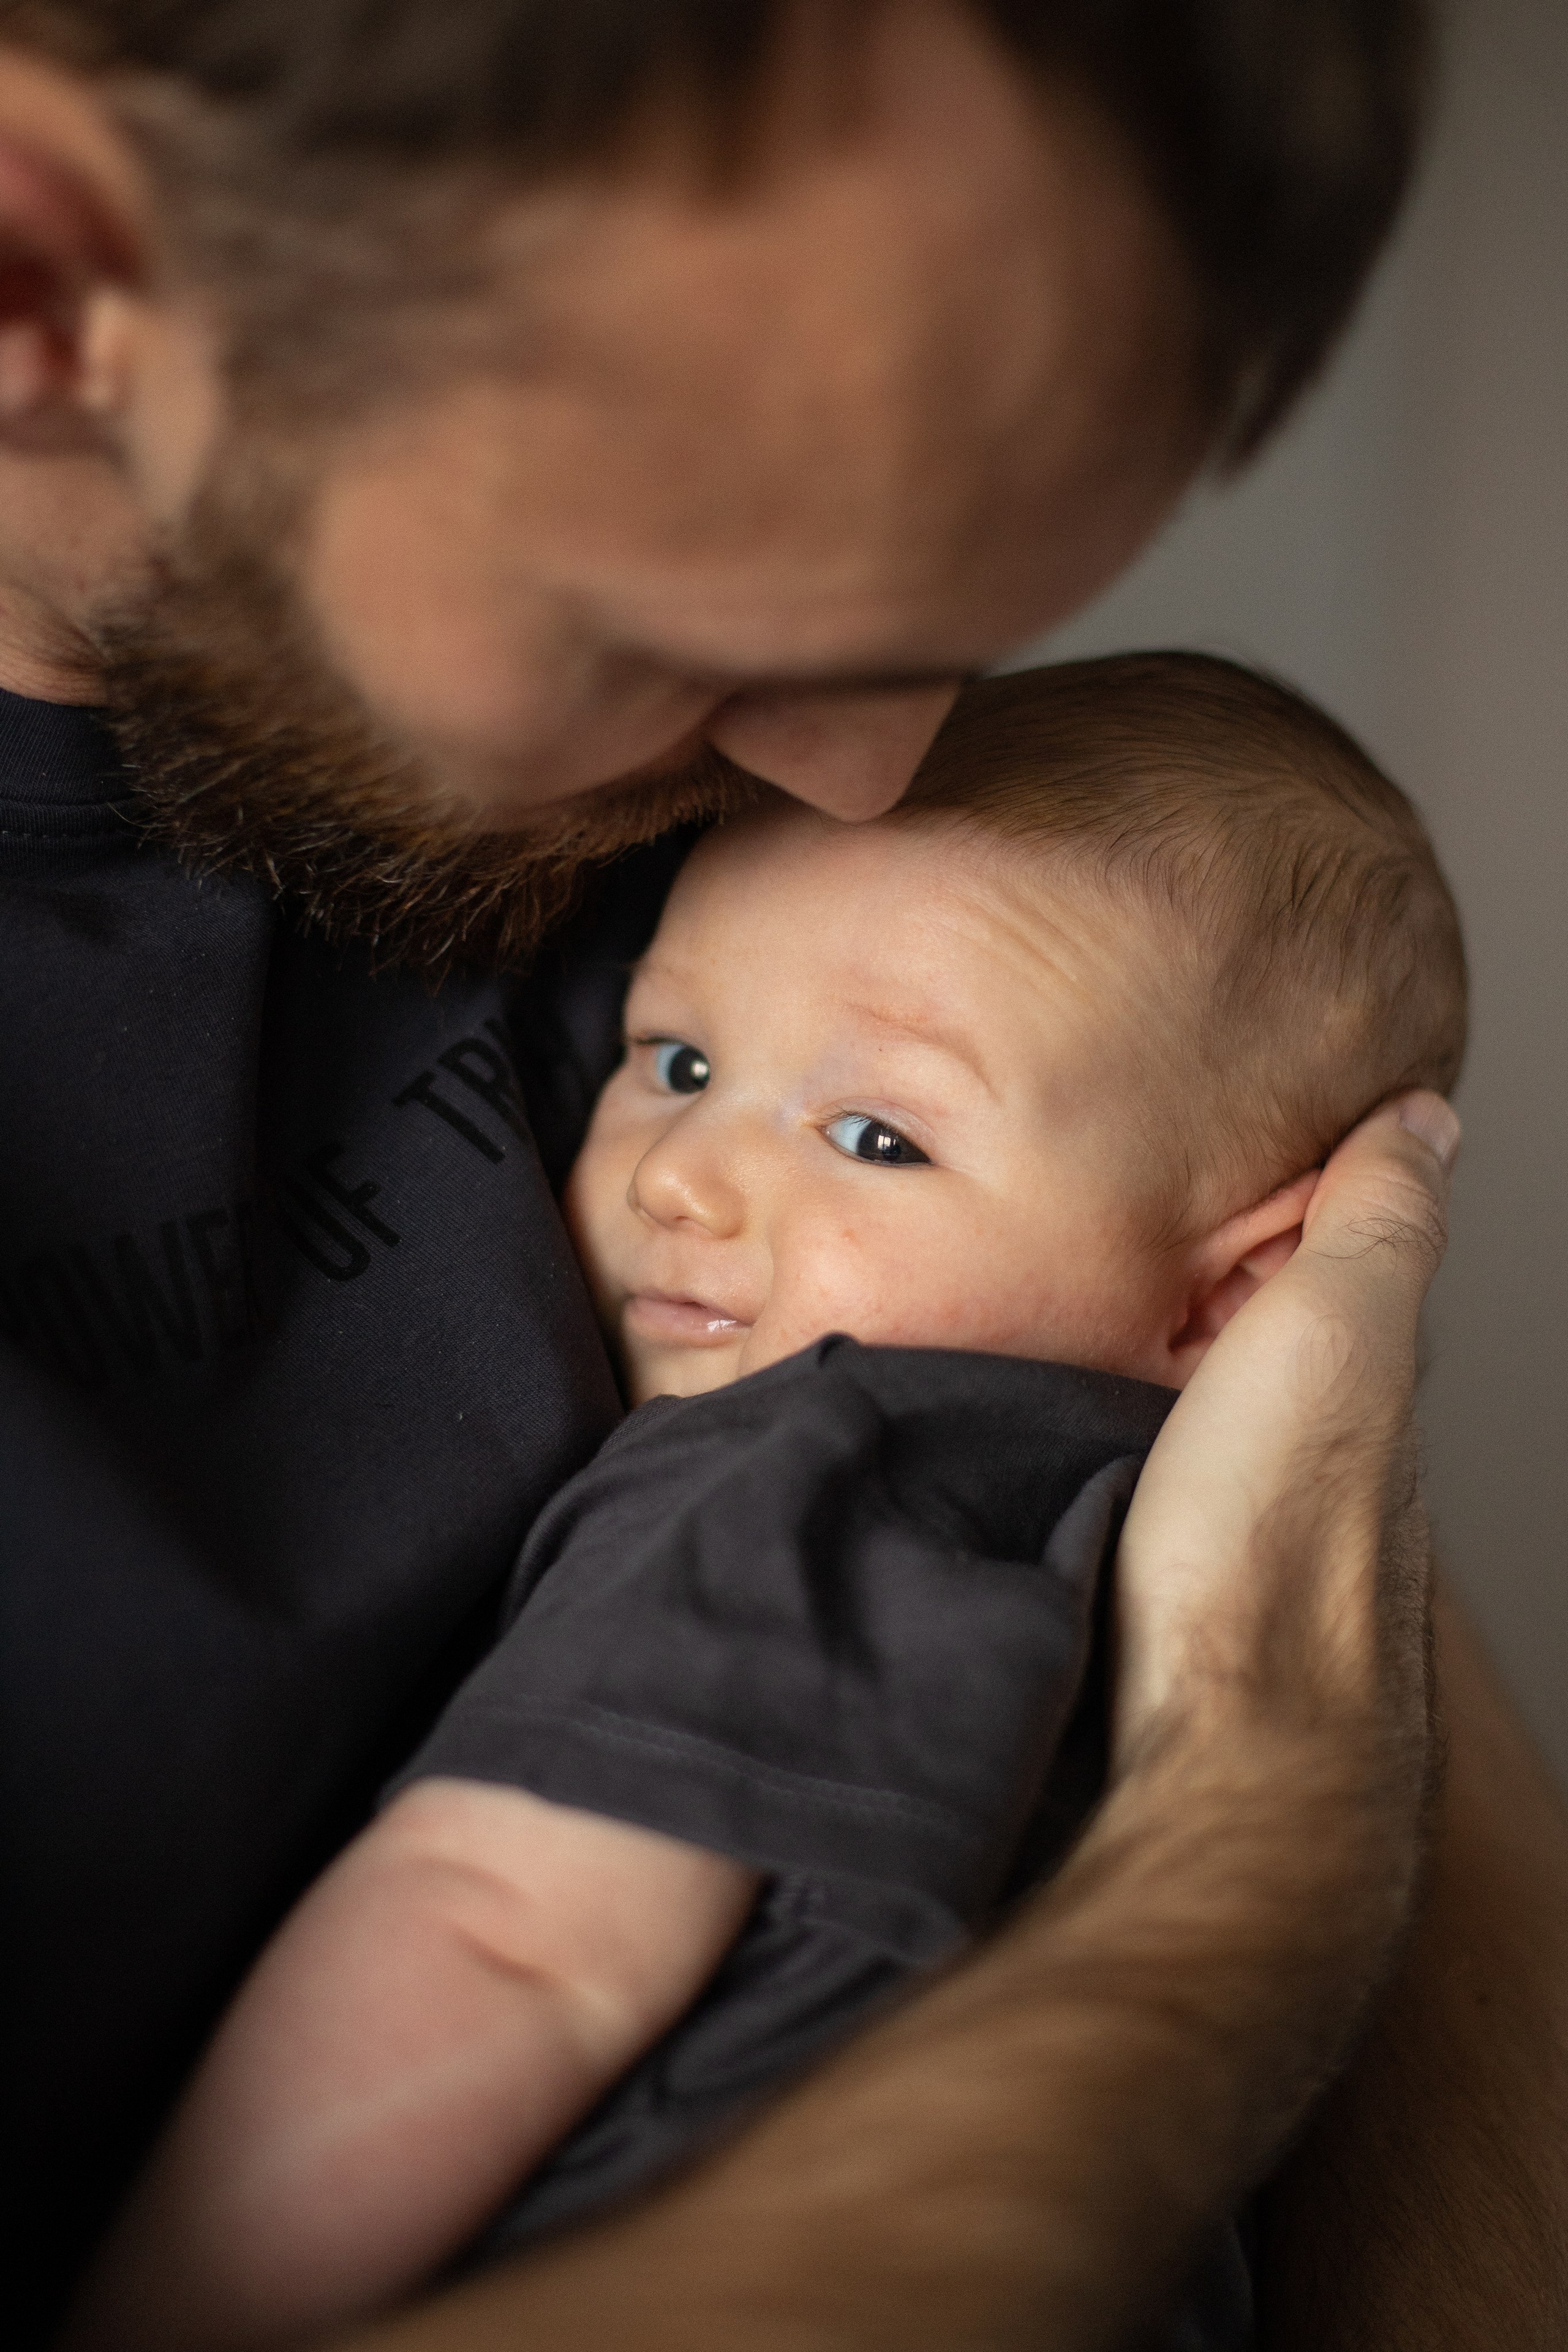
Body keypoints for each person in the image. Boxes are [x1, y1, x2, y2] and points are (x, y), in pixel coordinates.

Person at [0, 4, 1562, 2347]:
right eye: (695, 621)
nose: (856, 786)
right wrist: (1253, 1860)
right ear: (42, 289)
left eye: (946, 622)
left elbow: (1350, 1619)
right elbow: (1301, 1718)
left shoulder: (755, 884)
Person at [62, 654, 1470, 2352]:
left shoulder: (810, 1477)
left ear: (1229, 1301)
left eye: (876, 1137)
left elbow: (502, 1946)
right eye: (672, 1059)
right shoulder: (1168, 1533)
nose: (684, 1173)